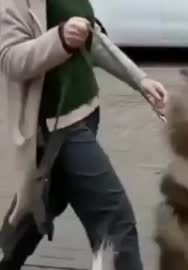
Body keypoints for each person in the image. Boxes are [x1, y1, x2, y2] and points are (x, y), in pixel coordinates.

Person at [0, 0, 168, 269]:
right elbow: (10, 59)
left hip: (86, 116)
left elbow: (92, 39)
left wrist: (139, 79)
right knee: (115, 223)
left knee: (33, 210)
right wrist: (60, 40)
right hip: (59, 130)